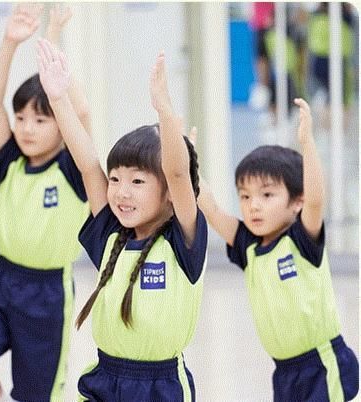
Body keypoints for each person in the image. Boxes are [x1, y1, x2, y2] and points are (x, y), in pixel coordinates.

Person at [37, 39, 207, 401]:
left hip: (160, 388)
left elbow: (178, 174)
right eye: (115, 179)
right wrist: (58, 99)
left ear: (168, 194)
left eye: (137, 182)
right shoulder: (111, 236)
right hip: (104, 379)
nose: (121, 192)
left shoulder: (183, 241)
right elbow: (88, 164)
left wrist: (164, 110)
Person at [0, 5, 90, 402]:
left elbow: (81, 111)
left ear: (61, 127)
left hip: (47, 295)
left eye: (40, 120)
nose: (27, 128)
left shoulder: (71, 168)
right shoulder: (10, 161)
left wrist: (54, 35)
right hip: (2, 281)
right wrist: (10, 42)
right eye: (21, 118)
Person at [196, 98, 359, 401]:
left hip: (321, 364)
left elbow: (315, 200)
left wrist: (307, 143)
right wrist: (189, 169)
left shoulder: (301, 238)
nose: (253, 206)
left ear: (296, 201)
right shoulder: (248, 246)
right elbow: (213, 210)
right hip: (284, 372)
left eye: (266, 195)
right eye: (245, 197)